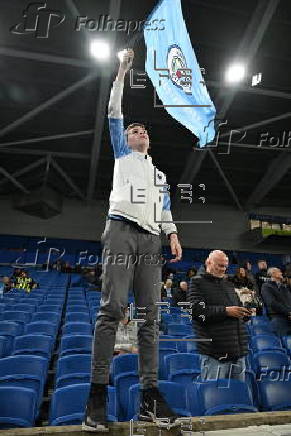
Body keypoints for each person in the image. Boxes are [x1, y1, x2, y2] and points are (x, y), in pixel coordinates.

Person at [83, 48, 182, 431]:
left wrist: (172, 234)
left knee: (150, 318)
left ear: (149, 143)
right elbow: (114, 111)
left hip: (152, 242)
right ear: (124, 139)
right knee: (111, 310)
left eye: (144, 131)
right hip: (122, 231)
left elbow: (166, 210)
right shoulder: (122, 154)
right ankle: (96, 398)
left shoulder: (159, 177)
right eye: (132, 129)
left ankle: (150, 399)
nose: (138, 131)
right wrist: (122, 73)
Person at [187, 250, 251, 382]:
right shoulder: (197, 282)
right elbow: (197, 311)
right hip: (214, 354)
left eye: (225, 266)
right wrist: (226, 311)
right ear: (208, 262)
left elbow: (237, 308)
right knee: (214, 398)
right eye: (220, 265)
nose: (223, 269)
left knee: (237, 398)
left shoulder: (228, 284)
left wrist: (245, 313)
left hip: (237, 353)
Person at [261, 268, 291, 336]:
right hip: (278, 317)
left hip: (288, 316)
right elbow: (272, 303)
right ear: (273, 274)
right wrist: (288, 312)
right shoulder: (266, 286)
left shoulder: (284, 287)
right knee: (282, 342)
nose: (281, 273)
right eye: (279, 271)